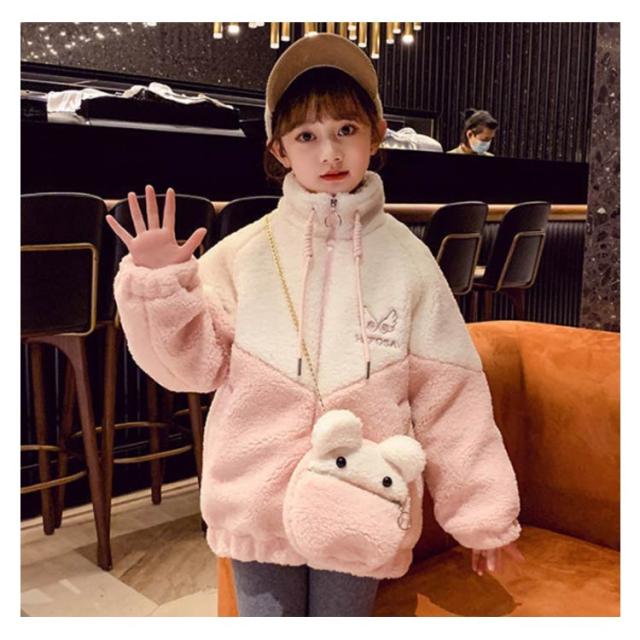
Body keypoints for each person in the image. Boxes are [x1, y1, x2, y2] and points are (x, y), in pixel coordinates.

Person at [106, 34, 524, 617]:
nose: (329, 153)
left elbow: (450, 396)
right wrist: (160, 289)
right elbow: (188, 370)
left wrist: (482, 514)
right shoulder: (243, 253)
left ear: (377, 134)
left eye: (346, 129)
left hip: (363, 503)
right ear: (279, 149)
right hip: (256, 502)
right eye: (306, 135)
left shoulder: (409, 262)